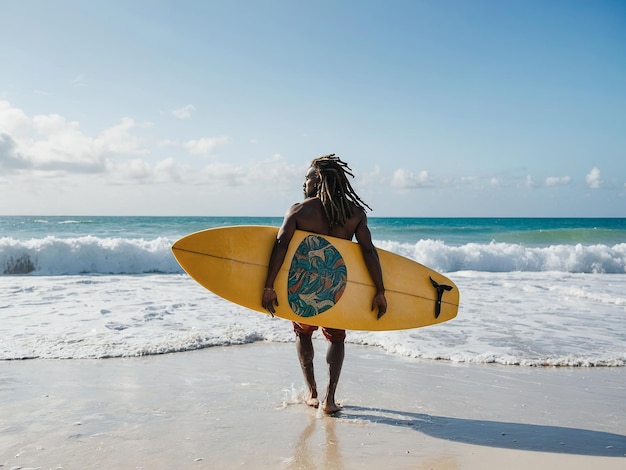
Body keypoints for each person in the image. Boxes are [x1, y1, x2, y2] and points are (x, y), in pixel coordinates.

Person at [262, 154, 387, 415]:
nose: (303, 183)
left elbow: (281, 246)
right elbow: (368, 251)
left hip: (304, 287)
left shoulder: (299, 211)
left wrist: (269, 285)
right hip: (336, 289)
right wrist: (380, 291)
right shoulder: (354, 214)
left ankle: (312, 393)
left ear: (319, 181)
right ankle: (330, 400)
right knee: (337, 338)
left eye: (307, 178)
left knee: (303, 333)